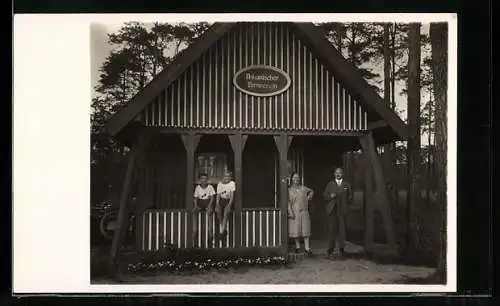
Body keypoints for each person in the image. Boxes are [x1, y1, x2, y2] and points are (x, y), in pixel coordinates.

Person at [322, 167, 353, 260]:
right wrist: (330, 196)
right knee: (332, 230)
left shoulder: (346, 185)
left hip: (342, 210)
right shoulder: (330, 184)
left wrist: (346, 204)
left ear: (342, 174)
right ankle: (330, 250)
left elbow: (351, 197)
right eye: (336, 173)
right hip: (333, 210)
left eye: (339, 173)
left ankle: (341, 249)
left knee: (342, 230)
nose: (337, 174)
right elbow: (324, 196)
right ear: (334, 174)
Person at [288, 172, 314, 256]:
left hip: (304, 211)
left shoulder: (303, 188)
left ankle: (307, 248)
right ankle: (298, 247)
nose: (296, 179)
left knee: (306, 230)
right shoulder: (289, 190)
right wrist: (290, 212)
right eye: (295, 178)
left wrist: (309, 196)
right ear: (291, 179)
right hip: (295, 212)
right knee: (296, 230)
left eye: (298, 178)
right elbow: (288, 203)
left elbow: (311, 191)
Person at [193, 173, 216, 246]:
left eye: (205, 179)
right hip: (200, 201)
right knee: (194, 211)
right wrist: (196, 206)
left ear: (207, 180)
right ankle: (194, 231)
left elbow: (212, 198)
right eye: (202, 179)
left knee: (210, 212)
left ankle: (210, 234)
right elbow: (195, 198)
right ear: (200, 180)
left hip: (207, 201)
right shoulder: (197, 187)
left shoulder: (210, 187)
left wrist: (209, 206)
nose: (204, 180)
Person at [215, 171, 235, 239]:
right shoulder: (220, 184)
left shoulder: (232, 183)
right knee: (218, 211)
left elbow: (232, 196)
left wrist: (229, 205)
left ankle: (221, 232)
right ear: (223, 177)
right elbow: (218, 196)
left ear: (231, 178)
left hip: (228, 200)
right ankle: (223, 227)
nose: (227, 178)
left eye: (229, 176)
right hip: (221, 200)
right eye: (225, 176)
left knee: (226, 212)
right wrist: (217, 204)